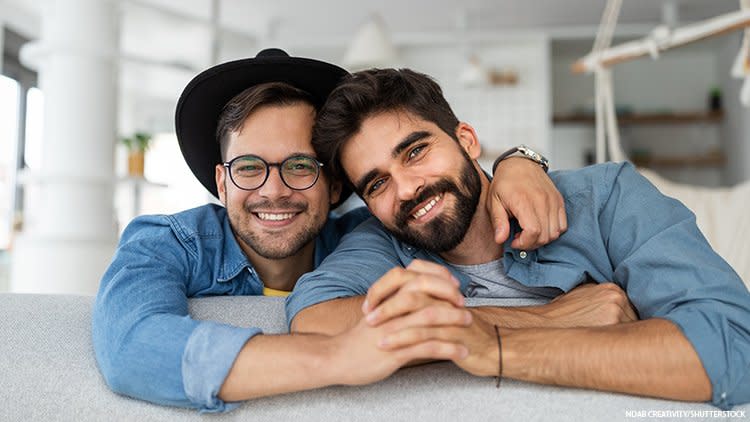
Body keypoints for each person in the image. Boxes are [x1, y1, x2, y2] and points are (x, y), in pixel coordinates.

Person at [91, 49, 569, 412]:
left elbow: (465, 221)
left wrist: (518, 163)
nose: (274, 191)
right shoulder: (167, 243)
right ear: (222, 180)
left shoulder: (378, 239)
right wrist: (338, 357)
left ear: (336, 182)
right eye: (249, 167)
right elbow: (132, 346)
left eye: (300, 166)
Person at [287, 68, 750, 409]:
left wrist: (493, 347)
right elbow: (315, 320)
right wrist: (546, 320)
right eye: (377, 184)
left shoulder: (604, 197)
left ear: (467, 140)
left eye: (415, 151)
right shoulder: (384, 241)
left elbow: (733, 348)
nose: (406, 189)